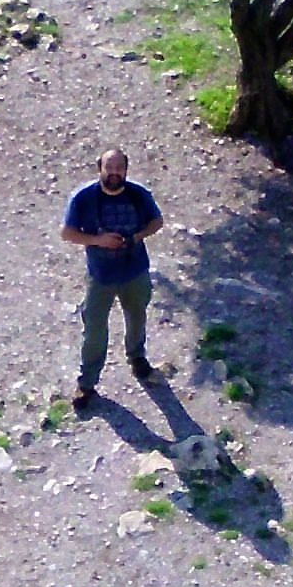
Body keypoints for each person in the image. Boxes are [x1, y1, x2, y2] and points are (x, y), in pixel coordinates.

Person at [62, 148, 168, 408]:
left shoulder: (138, 194)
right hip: (100, 275)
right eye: (109, 167)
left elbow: (157, 222)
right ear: (99, 168)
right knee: (94, 329)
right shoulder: (83, 197)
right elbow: (67, 233)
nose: (114, 173)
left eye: (119, 168)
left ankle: (137, 359)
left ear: (126, 169)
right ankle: (87, 383)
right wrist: (98, 240)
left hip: (135, 271)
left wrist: (135, 237)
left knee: (137, 318)